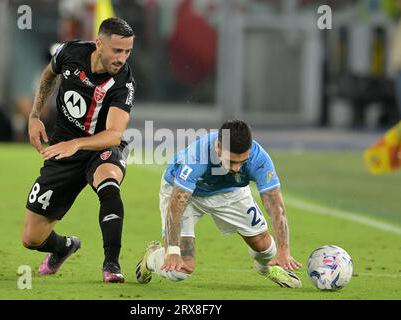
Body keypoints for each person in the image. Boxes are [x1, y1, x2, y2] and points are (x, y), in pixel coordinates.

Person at [21, 17, 136, 283]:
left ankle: (112, 264)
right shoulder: (70, 52)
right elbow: (49, 73)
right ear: (99, 44)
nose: (122, 58)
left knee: (109, 181)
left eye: (128, 51)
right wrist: (35, 114)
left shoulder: (123, 83)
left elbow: (114, 134)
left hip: (101, 147)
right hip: (62, 150)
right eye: (117, 50)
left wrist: (78, 143)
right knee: (31, 238)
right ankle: (64, 247)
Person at [136, 120, 302, 288]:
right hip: (187, 195)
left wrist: (283, 250)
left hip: (230, 192)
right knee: (180, 270)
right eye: (231, 161)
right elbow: (178, 202)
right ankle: (152, 258)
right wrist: (172, 250)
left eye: (242, 162)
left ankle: (267, 268)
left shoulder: (259, 159)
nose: (237, 168)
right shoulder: (196, 157)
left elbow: (276, 206)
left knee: (267, 249)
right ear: (217, 147)